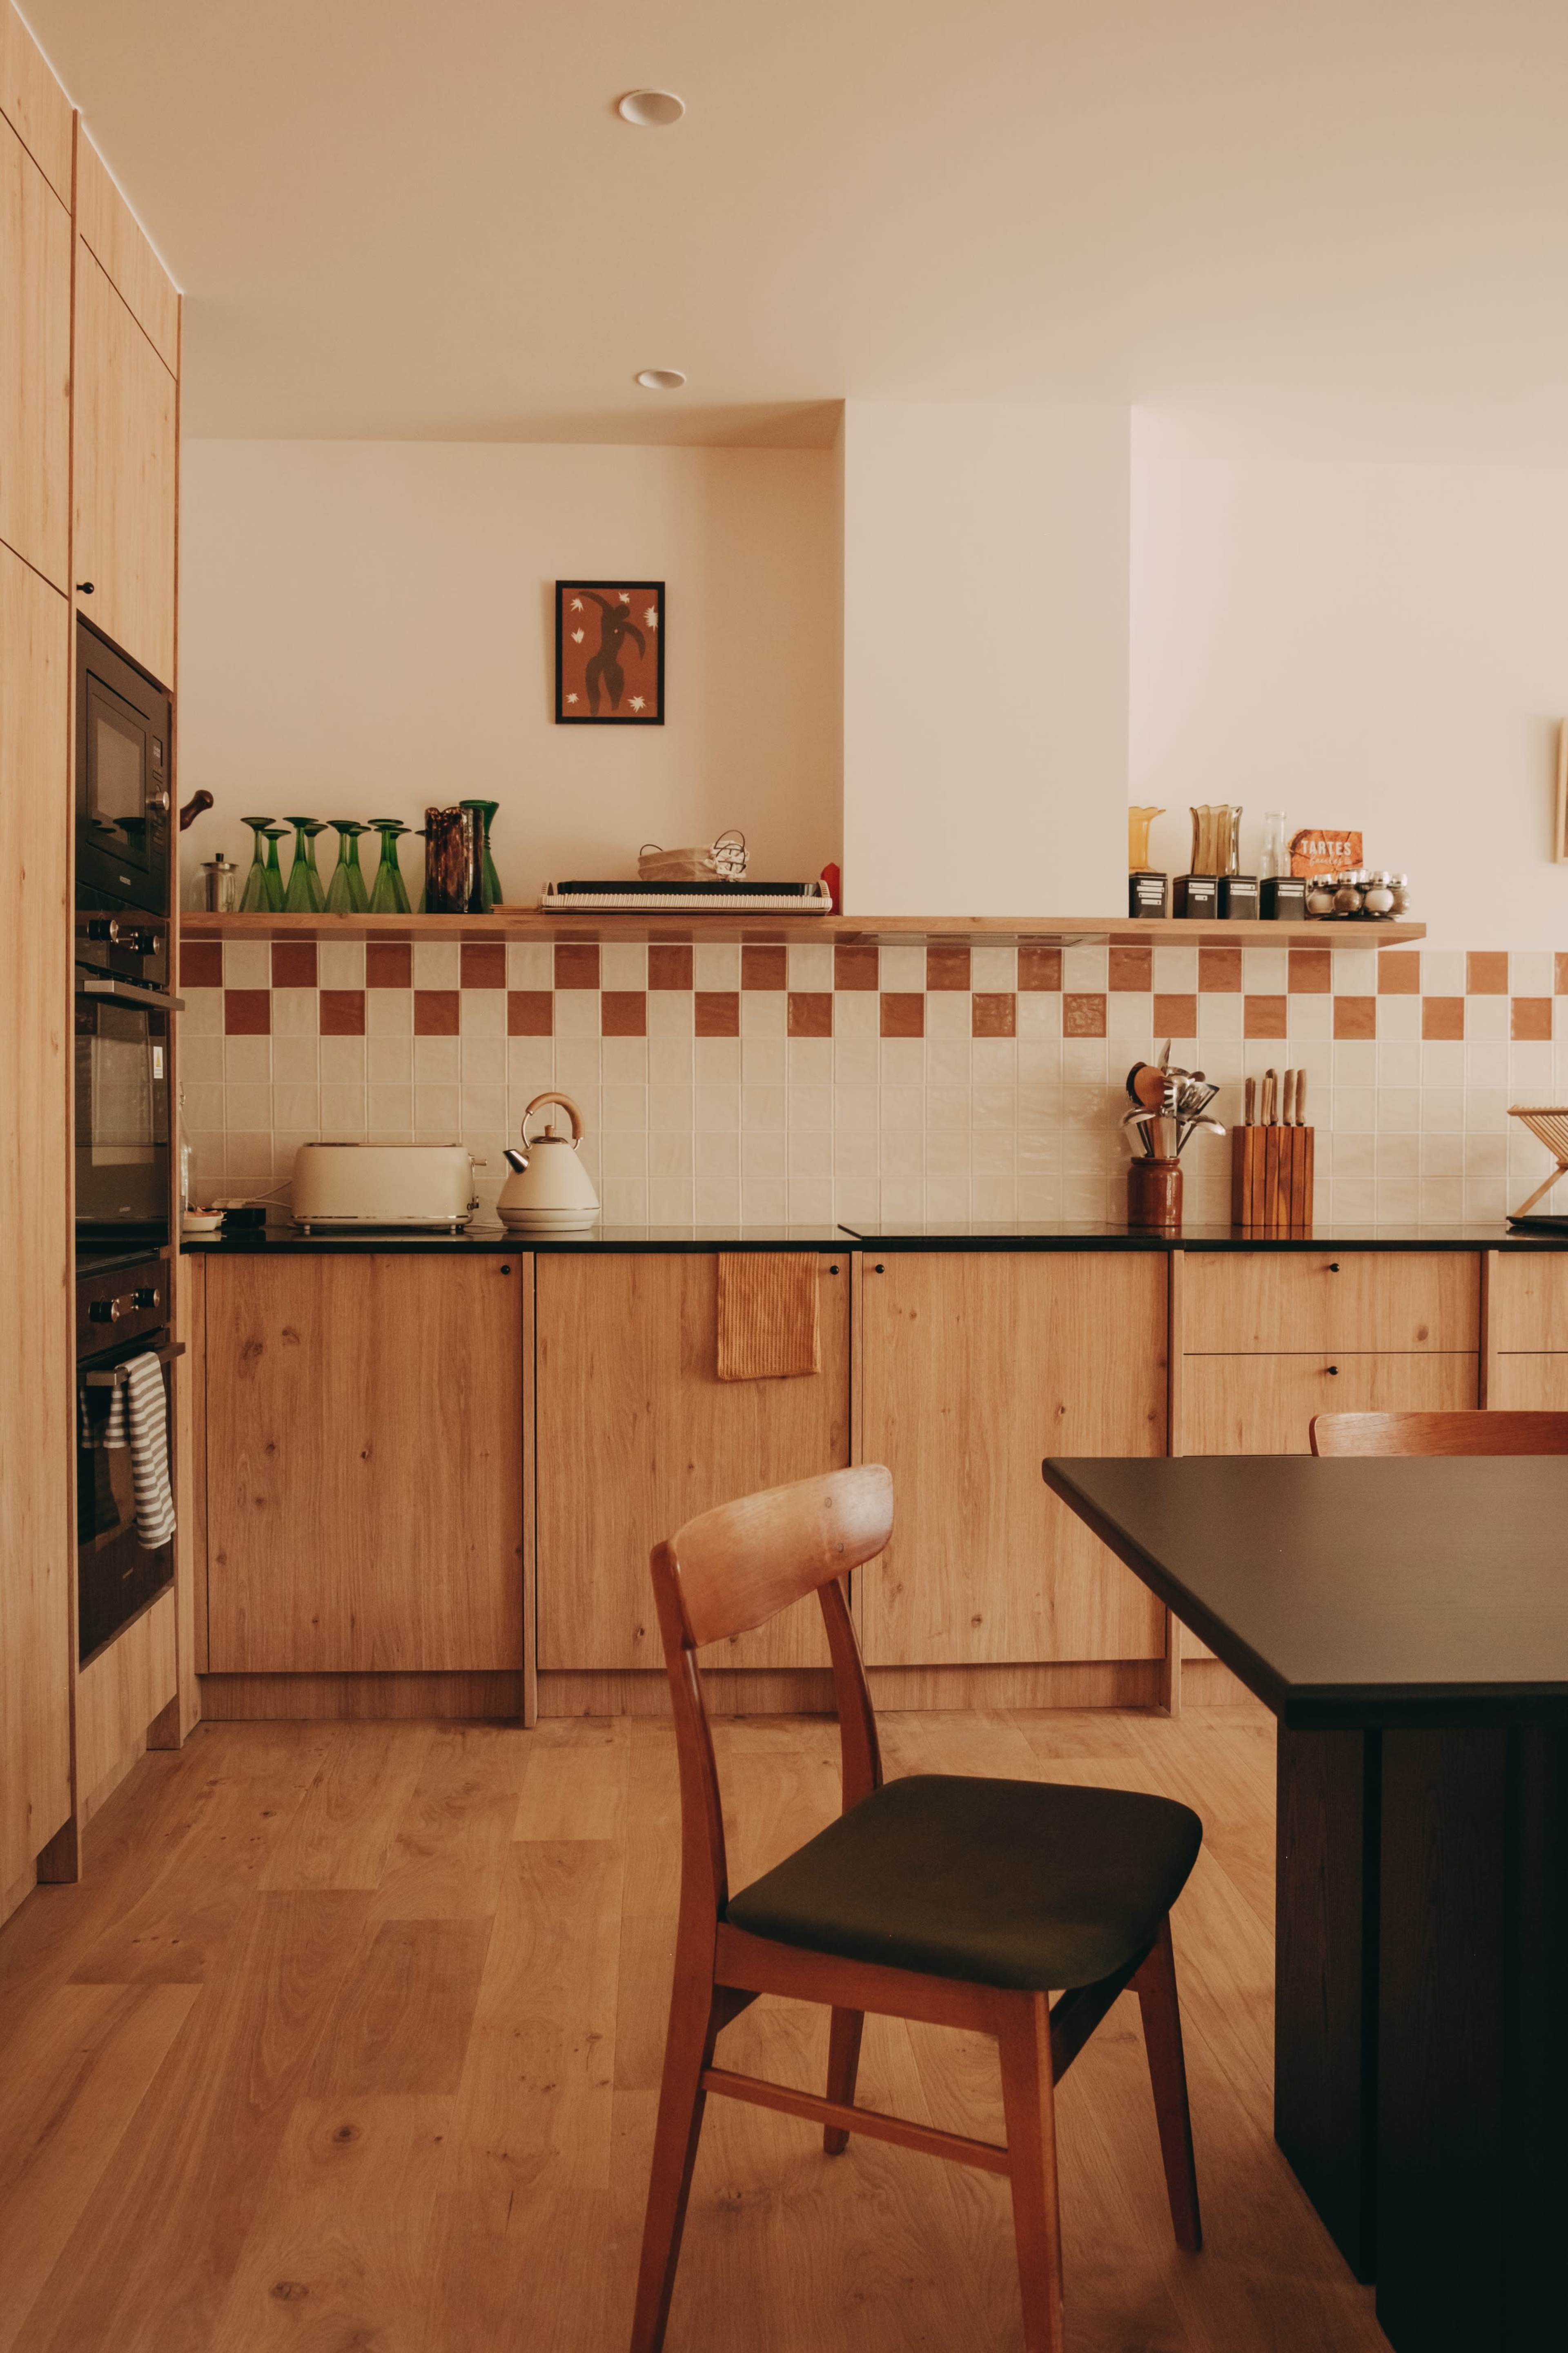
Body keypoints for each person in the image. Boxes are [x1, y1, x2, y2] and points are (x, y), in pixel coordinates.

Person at [583, 593, 647, 716]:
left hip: (611, 661)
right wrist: (585, 593)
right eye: (619, 612)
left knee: (614, 682)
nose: (619, 615)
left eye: (622, 614)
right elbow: (602, 601)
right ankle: (595, 708)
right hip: (602, 658)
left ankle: (614, 705)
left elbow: (640, 637)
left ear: (624, 616)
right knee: (592, 678)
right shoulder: (608, 617)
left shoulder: (624, 626)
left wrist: (642, 651)